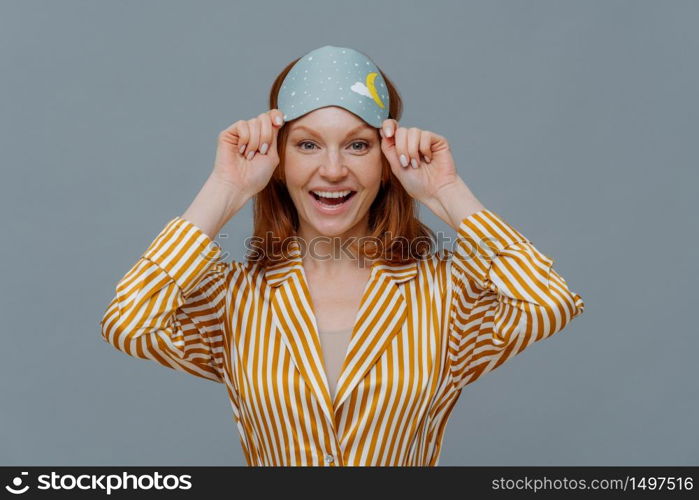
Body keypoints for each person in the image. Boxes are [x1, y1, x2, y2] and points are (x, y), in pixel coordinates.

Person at [100, 45, 585, 466]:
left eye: (357, 145)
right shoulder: (234, 297)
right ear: (280, 160)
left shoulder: (445, 294)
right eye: (308, 145)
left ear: (385, 162)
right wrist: (225, 189)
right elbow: (129, 322)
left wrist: (446, 192)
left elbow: (547, 302)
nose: (332, 170)